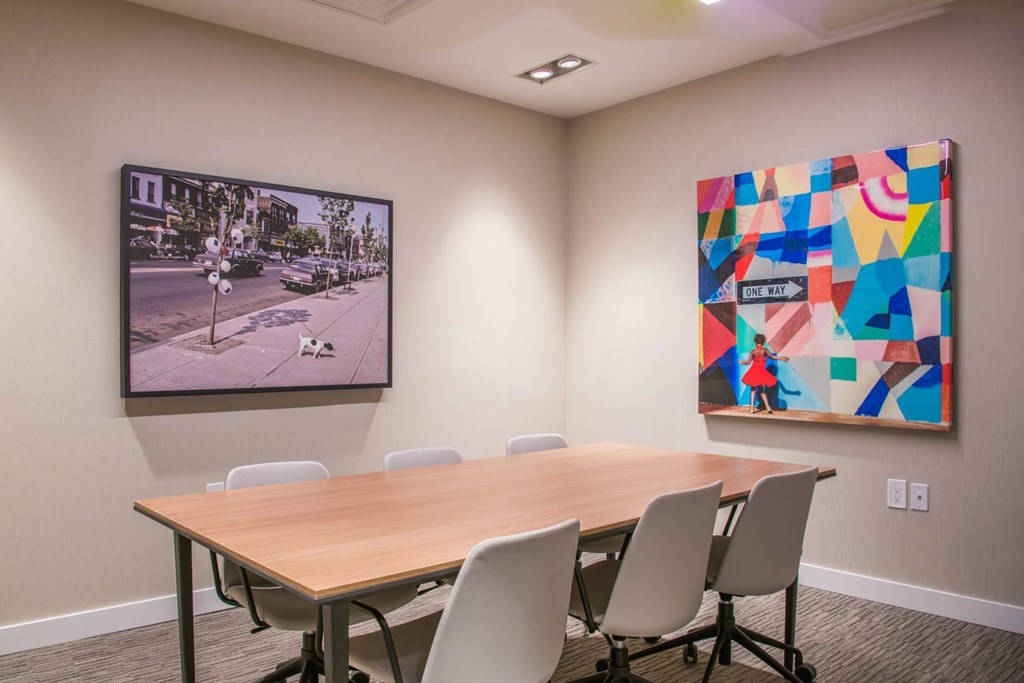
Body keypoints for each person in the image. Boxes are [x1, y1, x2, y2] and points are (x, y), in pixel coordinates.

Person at [739, 333, 789, 414]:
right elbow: (772, 357)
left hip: (753, 373)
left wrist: (742, 362)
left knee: (753, 390)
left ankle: (752, 409)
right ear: (763, 342)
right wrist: (783, 358)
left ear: (755, 342)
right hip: (761, 373)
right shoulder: (764, 350)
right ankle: (768, 408)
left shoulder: (753, 352)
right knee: (762, 390)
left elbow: (748, 362)